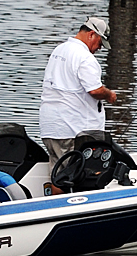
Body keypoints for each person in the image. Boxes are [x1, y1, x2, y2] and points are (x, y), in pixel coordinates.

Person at [38, 15, 117, 180]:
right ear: (91, 35)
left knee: (58, 174)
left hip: (50, 127)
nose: (99, 48)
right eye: (100, 43)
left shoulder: (59, 50)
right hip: (72, 130)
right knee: (80, 175)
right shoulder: (85, 57)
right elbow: (94, 90)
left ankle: (57, 205)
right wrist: (109, 94)